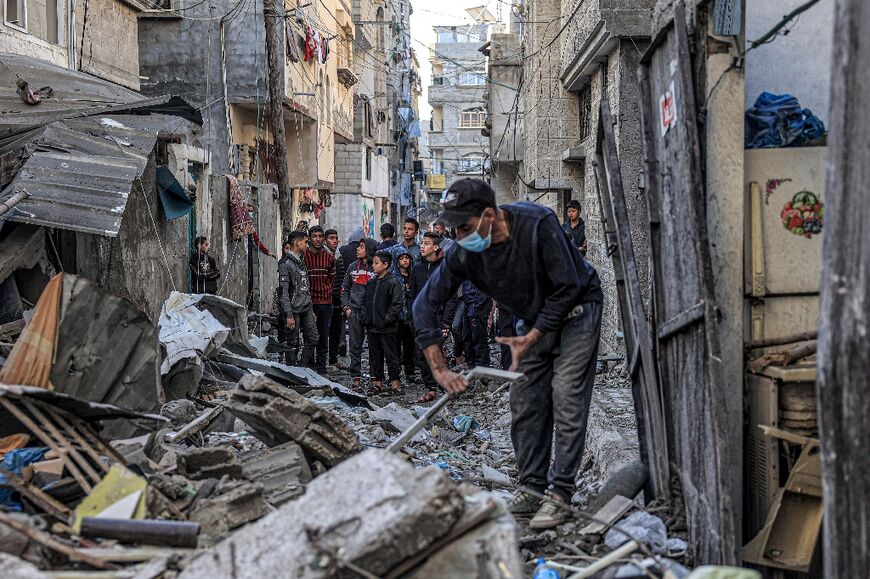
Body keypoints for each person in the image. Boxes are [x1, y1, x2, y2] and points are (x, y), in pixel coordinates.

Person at [413, 178, 603, 530]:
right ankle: (532, 489)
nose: (458, 237)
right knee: (526, 401)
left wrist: (535, 334)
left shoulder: (538, 223)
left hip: (577, 310)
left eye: (465, 227)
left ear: (489, 214)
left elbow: (569, 286)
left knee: (566, 396)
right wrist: (438, 369)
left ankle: (560, 494)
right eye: (452, 229)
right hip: (530, 321)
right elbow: (425, 304)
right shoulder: (463, 252)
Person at [410, 232, 455, 403]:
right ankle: (431, 388)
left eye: (426, 243)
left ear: (435, 247)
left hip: (438, 318)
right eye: (421, 243)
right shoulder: (417, 268)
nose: (422, 246)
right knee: (421, 354)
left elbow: (451, 297)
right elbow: (412, 294)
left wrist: (446, 322)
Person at [363, 251, 404, 394]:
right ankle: (377, 383)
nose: (373, 266)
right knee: (375, 356)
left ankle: (395, 385)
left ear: (385, 265)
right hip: (372, 327)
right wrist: (366, 318)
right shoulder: (371, 283)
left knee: (391, 355)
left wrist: (387, 320)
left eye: (376, 263)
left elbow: (397, 304)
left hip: (387, 328)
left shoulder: (393, 282)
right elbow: (365, 303)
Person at [341, 237, 379, 389]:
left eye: (361, 247)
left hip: (372, 314)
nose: (357, 249)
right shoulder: (352, 267)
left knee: (374, 347)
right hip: (354, 312)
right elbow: (345, 289)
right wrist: (347, 308)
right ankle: (355, 379)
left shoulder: (376, 267)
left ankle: (374, 378)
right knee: (355, 346)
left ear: (369, 249)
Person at [278, 231, 319, 367]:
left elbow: (305, 287)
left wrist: (311, 309)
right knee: (292, 343)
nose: (308, 245)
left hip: (306, 307)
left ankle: (301, 367)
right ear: (297, 243)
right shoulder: (285, 264)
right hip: (293, 310)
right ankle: (291, 371)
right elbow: (283, 292)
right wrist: (288, 315)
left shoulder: (301, 261)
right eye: (306, 242)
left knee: (313, 338)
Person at [303, 226, 336, 374]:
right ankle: (309, 366)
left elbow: (332, 278)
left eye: (320, 236)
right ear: (309, 238)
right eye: (314, 236)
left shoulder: (329, 257)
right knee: (309, 336)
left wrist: (326, 293)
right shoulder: (304, 257)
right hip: (308, 303)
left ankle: (321, 368)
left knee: (323, 336)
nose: (317, 239)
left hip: (325, 302)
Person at [324, 229, 345, 368]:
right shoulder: (322, 256)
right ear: (326, 241)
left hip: (337, 299)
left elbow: (341, 279)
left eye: (336, 238)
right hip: (324, 299)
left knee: (335, 331)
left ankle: (332, 358)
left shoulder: (339, 257)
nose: (335, 240)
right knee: (322, 331)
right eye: (331, 238)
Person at [395, 251, 416, 382]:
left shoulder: (413, 276)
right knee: (396, 346)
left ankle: (410, 371)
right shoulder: (395, 278)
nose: (405, 261)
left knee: (409, 346)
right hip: (397, 317)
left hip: (410, 316)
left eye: (407, 258)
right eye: (402, 258)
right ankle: (396, 372)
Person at [461, 281, 492, 368]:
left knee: (478, 339)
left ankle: (482, 370)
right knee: (467, 338)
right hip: (468, 302)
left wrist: (478, 302)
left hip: (477, 303)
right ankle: (471, 366)